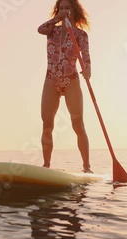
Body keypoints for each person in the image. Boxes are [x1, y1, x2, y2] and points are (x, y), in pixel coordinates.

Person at [38, 0, 93, 173]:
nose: (64, 11)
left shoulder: (80, 35)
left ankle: (86, 167)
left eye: (67, 8)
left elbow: (86, 56)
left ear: (74, 11)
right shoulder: (51, 30)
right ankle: (46, 165)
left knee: (78, 123)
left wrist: (88, 70)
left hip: (71, 80)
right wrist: (56, 19)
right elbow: (40, 29)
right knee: (47, 125)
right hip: (51, 79)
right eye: (61, 8)